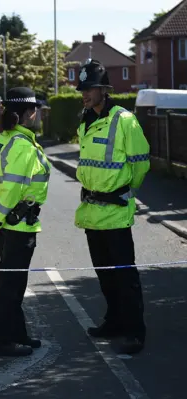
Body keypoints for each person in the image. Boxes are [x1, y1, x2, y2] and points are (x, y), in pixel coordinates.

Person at [75, 59, 150, 355]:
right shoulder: (85, 120)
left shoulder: (124, 119)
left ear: (104, 90)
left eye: (90, 88)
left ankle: (134, 331)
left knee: (124, 275)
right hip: (92, 211)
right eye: (82, 89)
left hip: (116, 209)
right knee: (105, 274)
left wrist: (125, 190)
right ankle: (115, 321)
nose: (85, 93)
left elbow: (140, 163)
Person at [0, 87, 51, 357]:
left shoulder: (4, 140)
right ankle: (2, 341)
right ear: (29, 113)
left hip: (8, 224)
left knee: (14, 282)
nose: (37, 113)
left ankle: (17, 333)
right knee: (10, 285)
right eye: (36, 109)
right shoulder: (22, 145)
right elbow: (10, 190)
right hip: (18, 225)